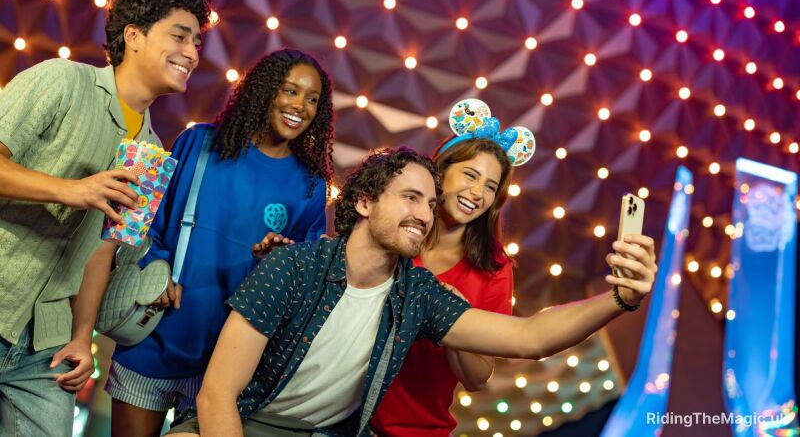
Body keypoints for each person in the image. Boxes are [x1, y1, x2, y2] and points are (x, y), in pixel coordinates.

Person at [170, 146, 658, 437]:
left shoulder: (420, 294)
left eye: (429, 204)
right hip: (250, 418)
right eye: (411, 198)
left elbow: (529, 337)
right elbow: (217, 395)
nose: (425, 213)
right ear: (363, 201)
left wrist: (620, 300)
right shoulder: (294, 266)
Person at [0, 0, 211, 435]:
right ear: (133, 35)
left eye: (197, 42)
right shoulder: (61, 81)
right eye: (180, 36)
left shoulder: (153, 155)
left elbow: (101, 252)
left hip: (47, 345)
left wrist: (83, 336)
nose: (192, 52)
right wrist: (72, 191)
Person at [101, 48, 335, 437]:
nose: (301, 106)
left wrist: (278, 260)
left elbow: (305, 280)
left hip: (225, 368)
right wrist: (155, 268)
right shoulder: (199, 143)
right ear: (264, 90)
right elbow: (147, 220)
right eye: (290, 91)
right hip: (154, 338)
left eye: (313, 99)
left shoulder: (311, 185)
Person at [371, 137, 517, 436]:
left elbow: (478, 378)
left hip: (417, 430)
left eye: (490, 186)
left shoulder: (494, 269)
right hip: (336, 416)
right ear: (441, 171)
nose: (477, 192)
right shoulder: (395, 226)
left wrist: (452, 316)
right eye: (470, 175)